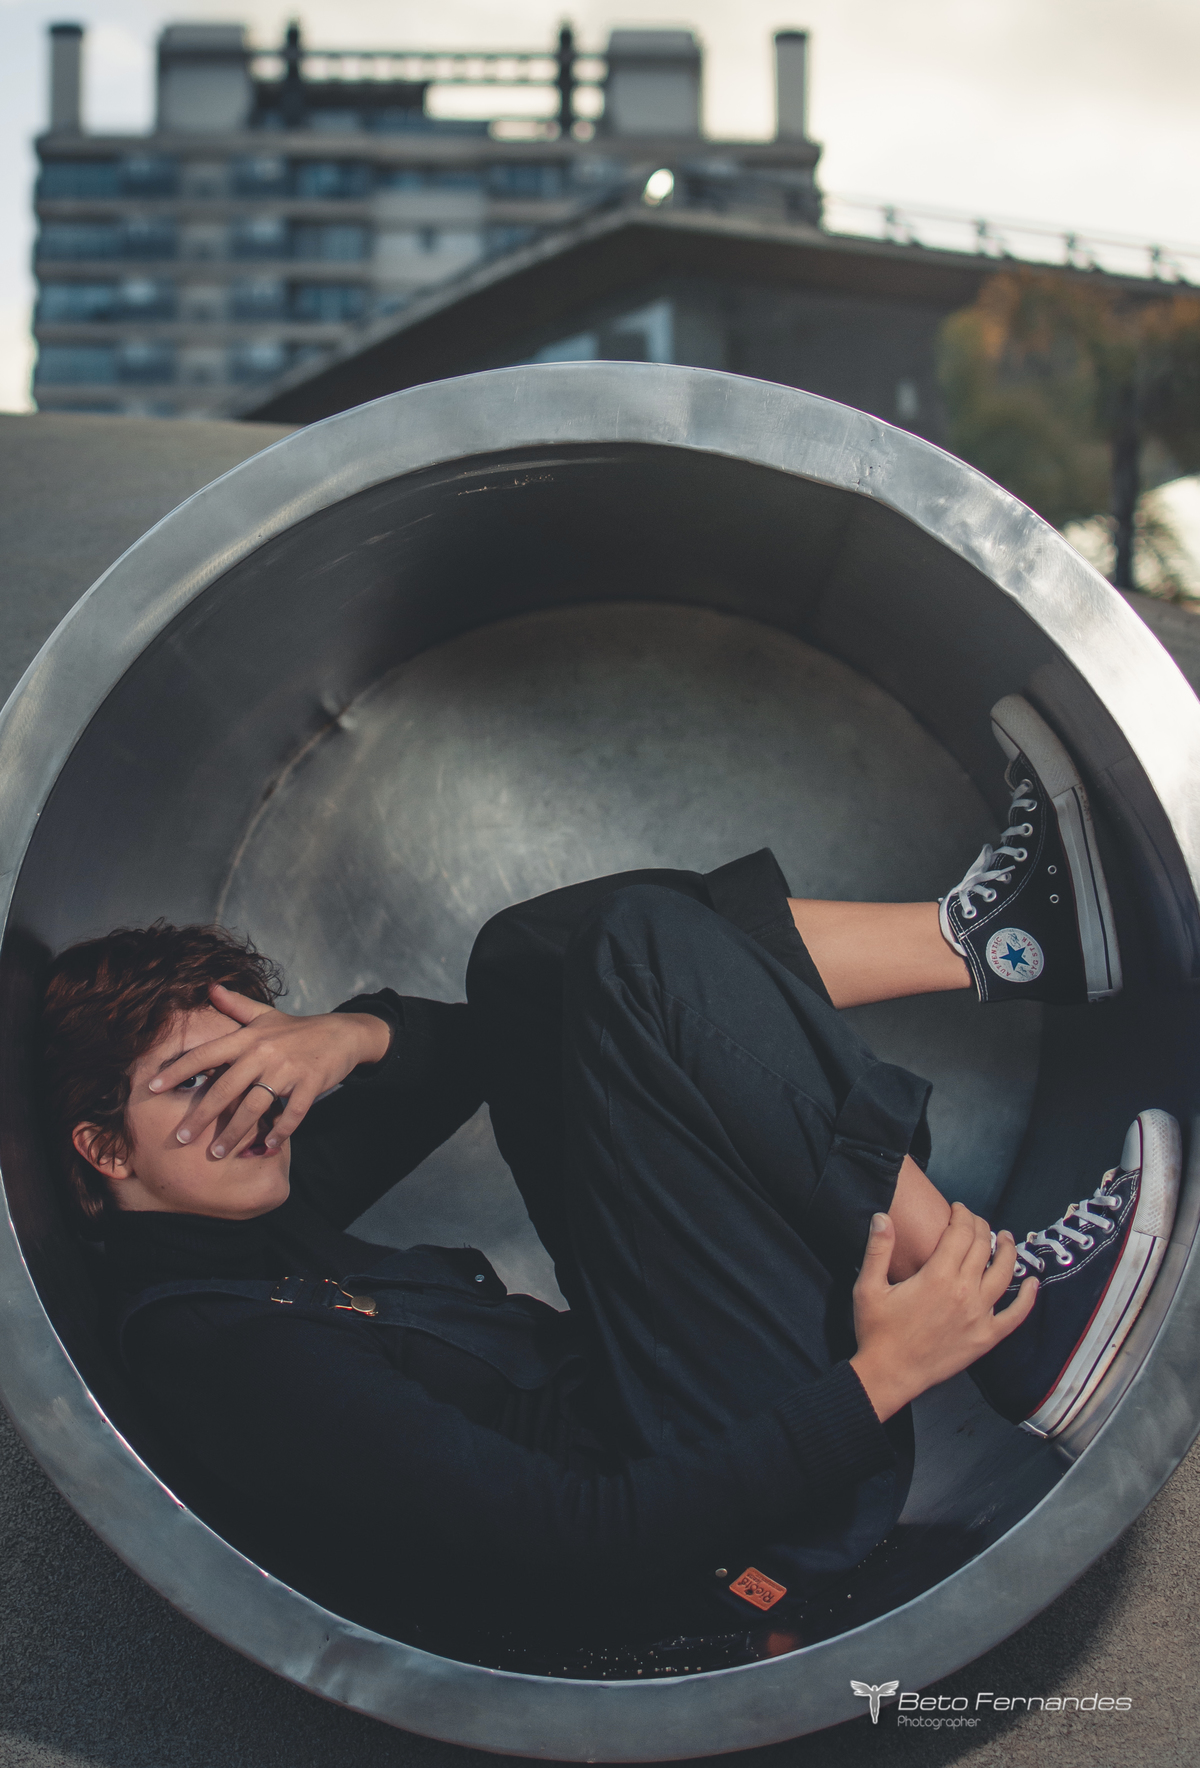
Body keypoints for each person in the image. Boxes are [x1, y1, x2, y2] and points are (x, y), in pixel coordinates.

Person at [40, 695, 1179, 1666]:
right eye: (198, 1085)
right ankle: (1014, 1314)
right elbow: (593, 1538)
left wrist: (342, 1036)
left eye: (250, 1064)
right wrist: (884, 1376)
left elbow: (489, 1039)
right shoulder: (223, 1352)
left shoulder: (240, 1215)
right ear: (103, 1149)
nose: (249, 1107)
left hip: (669, 1403)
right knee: (637, 946)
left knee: (532, 961)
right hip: (744, 1540)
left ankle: (1002, 942)